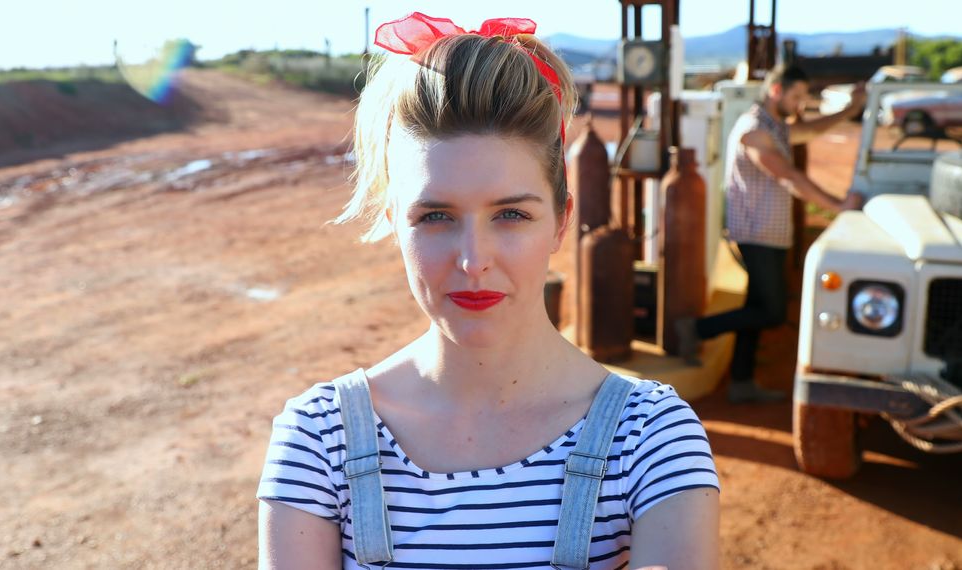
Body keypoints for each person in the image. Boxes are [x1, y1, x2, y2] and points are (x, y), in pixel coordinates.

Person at [257, 12, 721, 569]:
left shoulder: (649, 436)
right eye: (434, 216)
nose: (473, 261)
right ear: (393, 222)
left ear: (560, 220)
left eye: (510, 214)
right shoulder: (318, 440)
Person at [675, 64, 865, 404]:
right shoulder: (755, 130)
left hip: (771, 233)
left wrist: (850, 109)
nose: (800, 104)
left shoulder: (775, 125)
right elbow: (787, 175)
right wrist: (837, 206)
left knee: (757, 306)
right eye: (796, 96)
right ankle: (695, 329)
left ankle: (741, 382)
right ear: (776, 91)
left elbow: (811, 129)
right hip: (757, 233)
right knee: (773, 311)